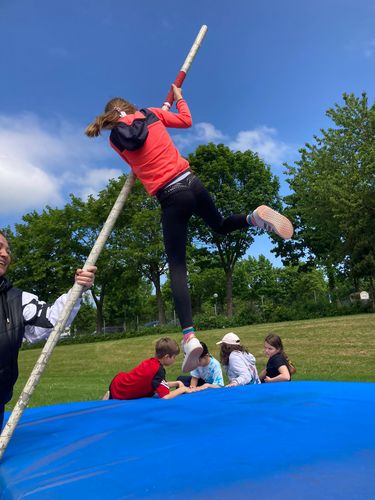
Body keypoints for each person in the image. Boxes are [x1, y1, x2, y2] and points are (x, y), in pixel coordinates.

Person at [85, 85, 294, 372]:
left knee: (177, 266)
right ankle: (253, 218)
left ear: (110, 119)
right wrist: (179, 99)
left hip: (170, 195)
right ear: (132, 108)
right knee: (220, 225)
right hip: (191, 182)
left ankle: (190, 337)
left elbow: (134, 161)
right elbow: (186, 121)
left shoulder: (115, 140)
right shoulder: (153, 114)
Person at [0, 230, 97, 429]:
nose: (5, 254)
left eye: (7, 249)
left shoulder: (18, 300)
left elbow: (53, 320)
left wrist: (77, 289)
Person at [105, 337, 200, 401]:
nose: (174, 360)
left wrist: (177, 383)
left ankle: (109, 395)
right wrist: (183, 389)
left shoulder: (151, 362)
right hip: (120, 392)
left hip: (118, 382)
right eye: (174, 357)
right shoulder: (158, 371)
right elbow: (165, 396)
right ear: (167, 357)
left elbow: (157, 383)